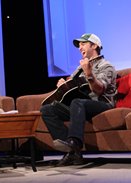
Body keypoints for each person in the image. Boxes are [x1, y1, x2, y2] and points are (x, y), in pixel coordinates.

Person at [40, 33, 117, 166]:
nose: (79, 47)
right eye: (79, 45)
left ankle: (74, 142)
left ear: (94, 46)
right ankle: (73, 153)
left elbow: (99, 90)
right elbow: (71, 85)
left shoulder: (106, 66)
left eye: (83, 44)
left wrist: (89, 73)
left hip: (102, 103)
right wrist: (63, 84)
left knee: (77, 102)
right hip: (80, 105)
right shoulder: (79, 68)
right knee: (47, 109)